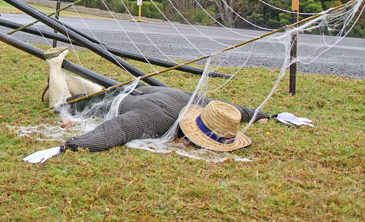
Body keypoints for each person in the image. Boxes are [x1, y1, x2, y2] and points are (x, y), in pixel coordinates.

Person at [23, 84, 270, 163]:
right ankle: (56, 66)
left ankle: (67, 76)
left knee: (84, 87)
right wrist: (67, 146)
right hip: (108, 100)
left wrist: (267, 114)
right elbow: (116, 130)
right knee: (61, 103)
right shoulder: (158, 118)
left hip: (135, 90)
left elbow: (233, 109)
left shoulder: (200, 104)